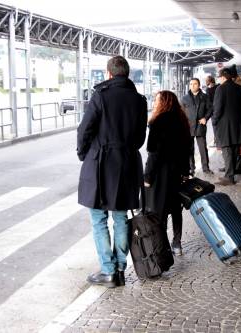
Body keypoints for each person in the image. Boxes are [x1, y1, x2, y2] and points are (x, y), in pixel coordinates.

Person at [77, 56, 147, 288]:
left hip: (100, 165)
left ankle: (107, 270)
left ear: (109, 73)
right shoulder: (139, 100)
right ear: (127, 74)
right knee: (120, 218)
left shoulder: (101, 95)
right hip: (126, 164)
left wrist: (83, 153)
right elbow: (140, 138)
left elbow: (85, 128)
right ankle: (119, 269)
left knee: (98, 218)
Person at [144, 91, 192, 256]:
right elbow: (187, 150)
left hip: (160, 174)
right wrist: (186, 171)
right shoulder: (182, 121)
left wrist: (148, 176)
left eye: (157, 100)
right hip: (177, 172)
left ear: (164, 102)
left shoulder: (158, 122)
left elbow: (153, 152)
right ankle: (177, 244)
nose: (155, 103)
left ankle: (162, 245)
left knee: (160, 210)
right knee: (176, 209)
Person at [212, 67, 241, 185]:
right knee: (235, 149)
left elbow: (217, 108)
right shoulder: (240, 89)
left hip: (224, 125)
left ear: (222, 77)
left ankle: (229, 177)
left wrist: (214, 121)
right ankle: (232, 171)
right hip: (237, 124)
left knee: (227, 150)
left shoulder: (220, 89)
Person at [181, 78, 213, 175]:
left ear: (199, 85)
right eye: (191, 84)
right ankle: (191, 168)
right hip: (189, 126)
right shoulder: (184, 98)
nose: (193, 86)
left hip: (200, 125)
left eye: (195, 84)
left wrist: (205, 118)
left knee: (203, 147)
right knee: (189, 148)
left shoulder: (205, 97)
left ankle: (206, 168)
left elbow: (210, 109)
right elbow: (181, 112)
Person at [205, 75, 219, 148]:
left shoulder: (208, 90)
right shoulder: (218, 87)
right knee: (219, 126)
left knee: (215, 126)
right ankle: (217, 140)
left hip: (213, 111)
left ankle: (217, 142)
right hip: (219, 109)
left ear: (208, 81)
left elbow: (208, 101)